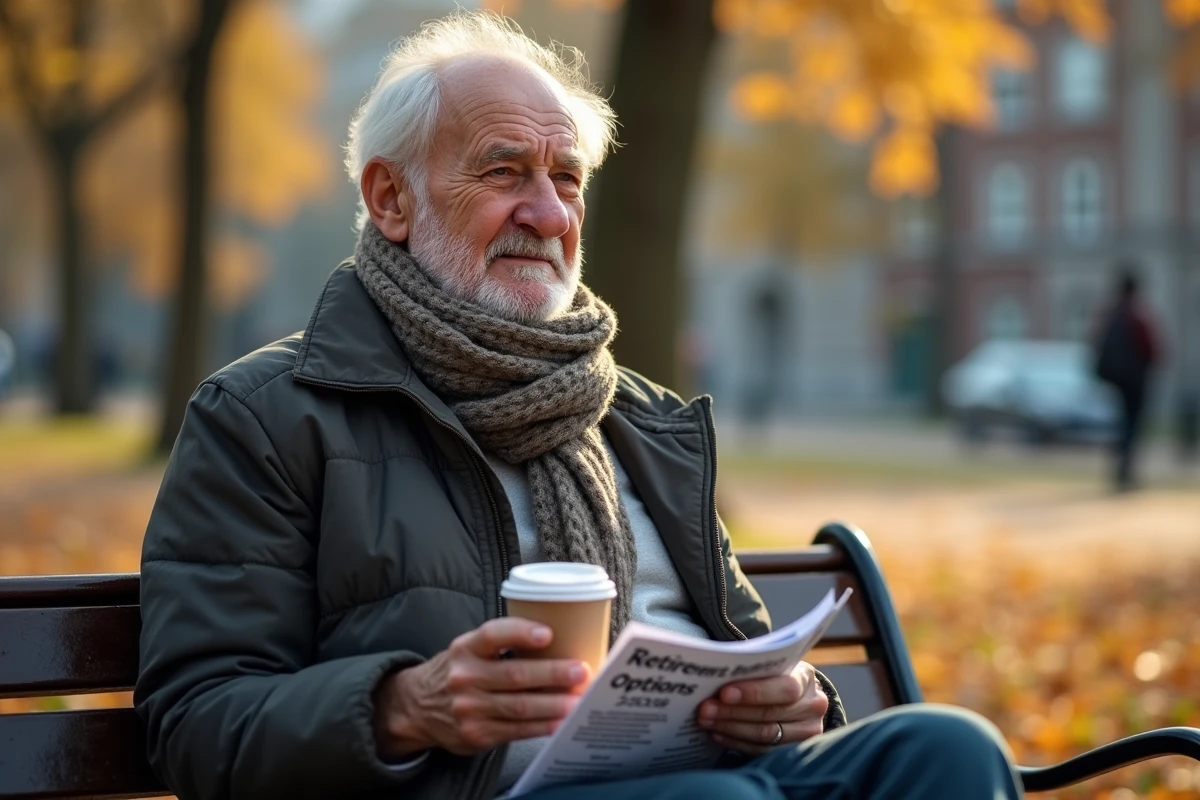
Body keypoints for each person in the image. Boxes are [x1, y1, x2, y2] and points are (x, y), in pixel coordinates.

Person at [135, 12, 1023, 800]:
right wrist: (404, 707)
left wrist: (790, 703)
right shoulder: (265, 415)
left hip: (719, 778)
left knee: (945, 750)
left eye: (567, 178)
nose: (550, 214)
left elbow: (752, 649)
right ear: (390, 198)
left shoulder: (639, 416)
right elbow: (194, 725)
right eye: (506, 171)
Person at [1092, 268, 1162, 491]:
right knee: (1131, 426)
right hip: (1135, 380)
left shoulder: (1112, 314)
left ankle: (1119, 471)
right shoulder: (1137, 315)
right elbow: (1151, 349)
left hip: (1116, 380)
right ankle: (1126, 474)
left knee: (1122, 424)